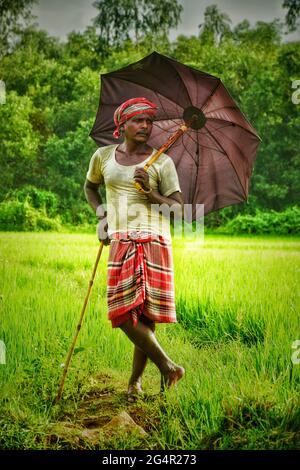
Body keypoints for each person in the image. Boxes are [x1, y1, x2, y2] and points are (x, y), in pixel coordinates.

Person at [84, 97, 185, 401]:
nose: (145, 126)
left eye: (149, 121)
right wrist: (101, 215)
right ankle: (169, 367)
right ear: (122, 125)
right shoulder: (103, 156)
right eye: (138, 120)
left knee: (145, 317)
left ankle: (134, 384)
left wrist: (151, 193)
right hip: (120, 239)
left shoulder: (162, 162)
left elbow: (178, 209)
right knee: (122, 311)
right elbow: (90, 187)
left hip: (154, 240)